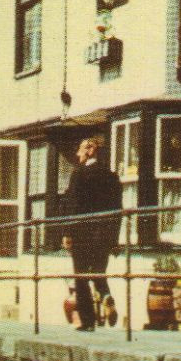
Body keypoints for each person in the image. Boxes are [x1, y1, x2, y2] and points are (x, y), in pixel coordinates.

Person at [61, 137, 123, 332]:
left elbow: (74, 205)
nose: (77, 156)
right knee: (98, 271)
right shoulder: (111, 176)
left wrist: (68, 233)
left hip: (82, 234)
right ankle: (105, 297)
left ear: (88, 151)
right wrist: (114, 239)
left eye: (79, 151)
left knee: (80, 276)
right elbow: (117, 209)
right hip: (105, 234)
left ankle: (88, 321)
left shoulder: (79, 174)